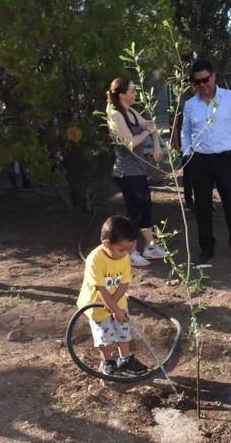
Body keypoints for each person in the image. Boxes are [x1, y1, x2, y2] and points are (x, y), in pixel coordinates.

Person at [181, 59, 231, 266]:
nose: (202, 85)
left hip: (225, 159)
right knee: (202, 207)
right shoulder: (190, 105)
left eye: (205, 79)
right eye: (197, 82)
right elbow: (185, 131)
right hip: (199, 160)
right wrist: (186, 154)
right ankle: (206, 248)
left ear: (214, 76)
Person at [76, 215, 149, 376]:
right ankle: (107, 362)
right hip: (96, 306)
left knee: (123, 331)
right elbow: (100, 289)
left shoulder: (123, 257)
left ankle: (125, 359)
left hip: (118, 303)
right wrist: (112, 308)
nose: (125, 254)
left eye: (129, 250)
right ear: (106, 243)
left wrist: (115, 307)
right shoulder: (95, 259)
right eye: (121, 250)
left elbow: (124, 283)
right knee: (105, 336)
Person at [106, 77, 166, 267]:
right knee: (135, 213)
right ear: (122, 95)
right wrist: (147, 133)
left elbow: (152, 126)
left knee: (145, 207)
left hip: (137, 169)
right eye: (132, 91)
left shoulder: (130, 111)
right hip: (126, 172)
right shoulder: (115, 115)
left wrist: (156, 145)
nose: (135, 94)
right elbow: (131, 142)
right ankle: (129, 252)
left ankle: (149, 247)